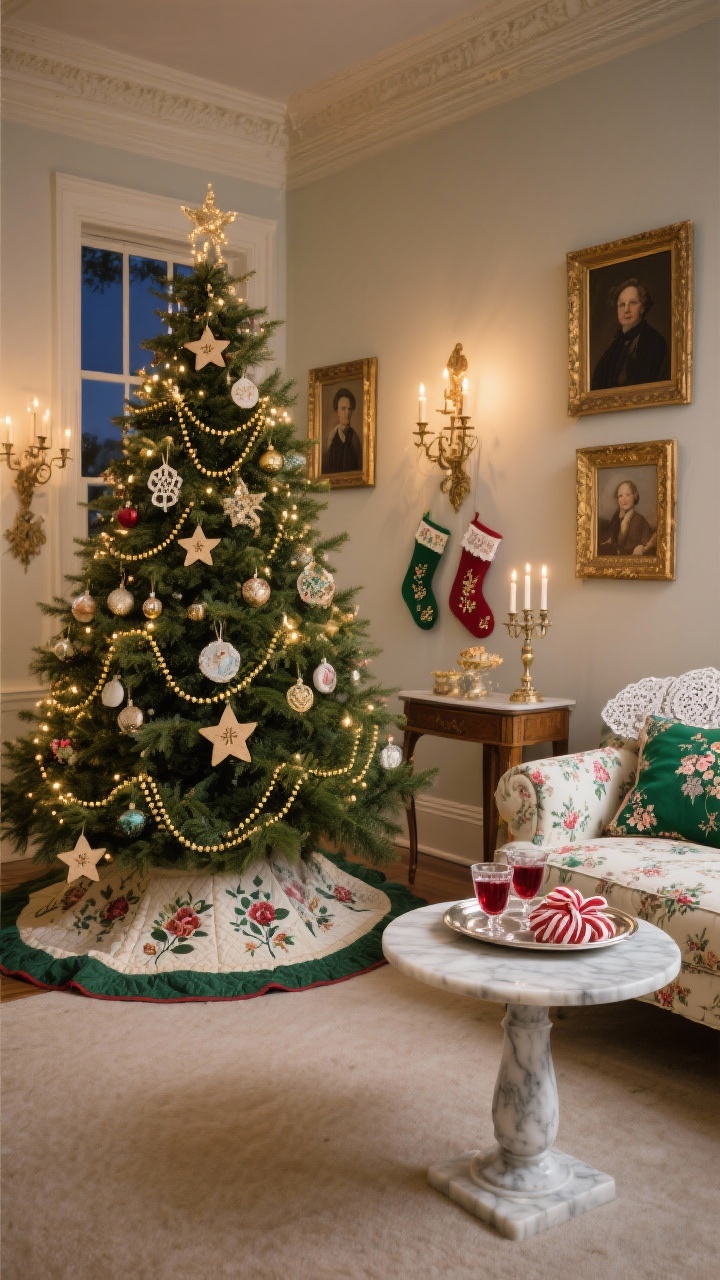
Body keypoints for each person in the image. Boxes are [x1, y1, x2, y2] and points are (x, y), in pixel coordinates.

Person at [591, 278, 670, 390]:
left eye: (633, 303)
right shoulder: (614, 347)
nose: (626, 310)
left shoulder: (655, 341)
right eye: (622, 304)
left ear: (642, 307)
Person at [599, 480, 655, 556]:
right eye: (620, 496)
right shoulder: (616, 519)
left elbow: (647, 544)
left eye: (628, 495)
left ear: (635, 496)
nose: (623, 500)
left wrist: (643, 548)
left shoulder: (639, 520)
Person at [325, 387, 362, 473]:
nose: (347, 413)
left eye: (349, 409)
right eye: (343, 409)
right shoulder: (331, 435)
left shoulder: (355, 438)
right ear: (337, 411)